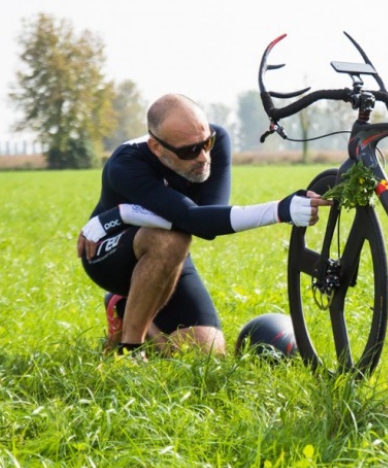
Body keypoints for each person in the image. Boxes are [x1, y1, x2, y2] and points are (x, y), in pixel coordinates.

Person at [77, 93, 330, 358]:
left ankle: (124, 308)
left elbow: (206, 217)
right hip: (108, 254)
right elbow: (196, 222)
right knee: (172, 239)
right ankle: (129, 350)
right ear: (157, 148)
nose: (203, 157)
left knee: (205, 354)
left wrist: (125, 212)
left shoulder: (216, 141)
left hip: (165, 254)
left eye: (206, 142)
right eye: (189, 151)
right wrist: (281, 210)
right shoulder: (125, 164)